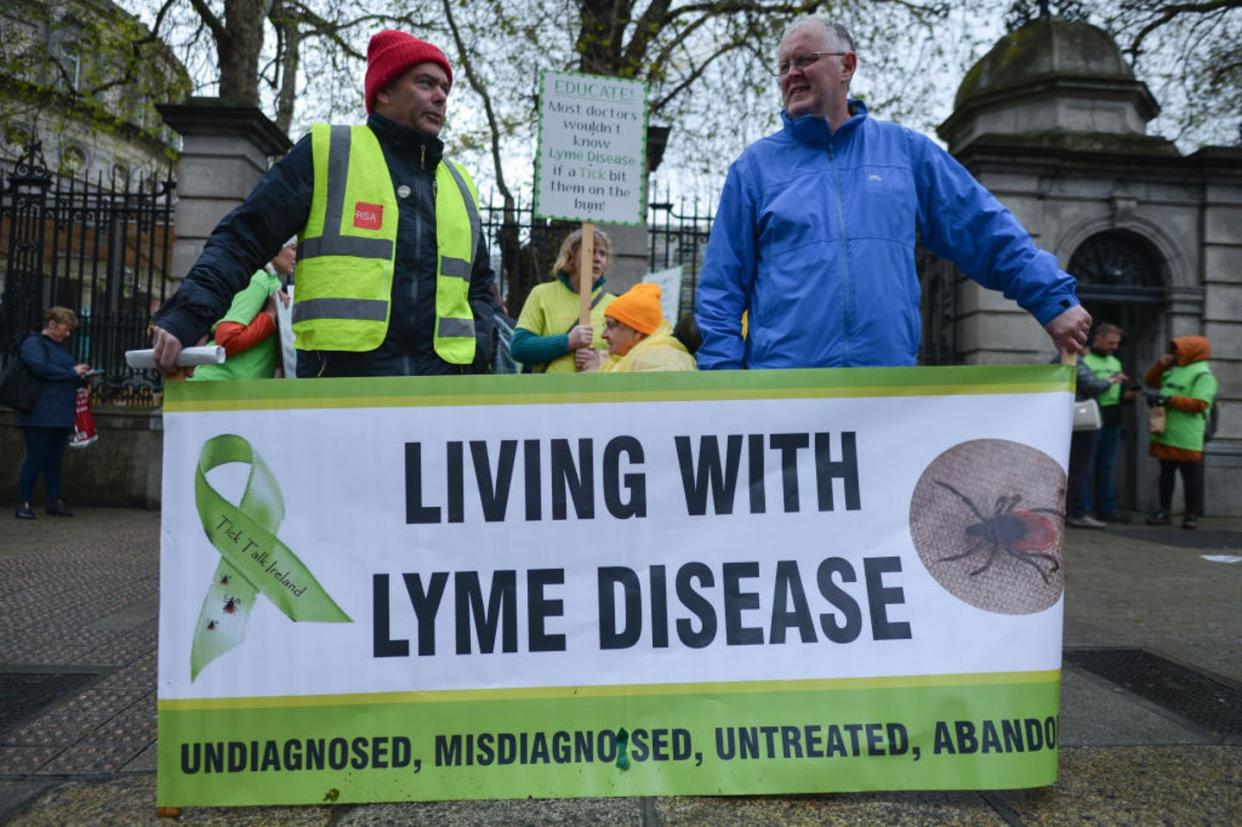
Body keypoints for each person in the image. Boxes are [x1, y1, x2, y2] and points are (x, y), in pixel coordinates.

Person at [694, 16, 1091, 370]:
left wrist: (1049, 298)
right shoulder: (753, 169)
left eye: (804, 60)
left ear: (847, 65)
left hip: (885, 399)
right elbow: (721, 287)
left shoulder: (905, 152)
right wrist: (724, 385)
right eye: (783, 67)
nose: (791, 74)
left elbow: (980, 226)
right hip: (787, 397)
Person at [150, 30, 495, 378]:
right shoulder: (328, 153)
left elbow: (479, 284)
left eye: (445, 89)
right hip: (339, 397)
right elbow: (244, 237)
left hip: (441, 399)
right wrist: (187, 315)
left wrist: (480, 348)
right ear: (385, 91)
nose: (440, 97)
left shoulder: (459, 183)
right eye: (426, 83)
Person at [14, 307, 90, 519]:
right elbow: (40, 367)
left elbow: (55, 372)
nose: (68, 335)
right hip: (39, 413)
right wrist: (71, 372)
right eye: (66, 329)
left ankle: (53, 501)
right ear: (52, 324)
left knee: (54, 460)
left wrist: (80, 376)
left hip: (59, 412)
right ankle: (23, 503)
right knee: (36, 458)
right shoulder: (33, 343)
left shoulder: (56, 348)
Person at [510, 229, 615, 373]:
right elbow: (519, 348)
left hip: (594, 394)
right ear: (571, 257)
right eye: (591, 251)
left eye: (602, 253)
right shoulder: (541, 294)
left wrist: (600, 359)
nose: (597, 259)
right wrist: (568, 341)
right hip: (549, 393)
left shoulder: (615, 305)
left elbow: (628, 357)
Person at [190, 238, 295, 381]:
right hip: (217, 387)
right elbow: (227, 339)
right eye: (293, 248)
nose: (298, 255)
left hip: (233, 389)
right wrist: (271, 314)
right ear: (275, 248)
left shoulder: (270, 282)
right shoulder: (257, 279)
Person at [1144, 337, 1217, 530]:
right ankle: (1164, 511)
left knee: (1190, 476)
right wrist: (1161, 364)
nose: (1176, 353)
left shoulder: (1203, 375)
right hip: (1166, 430)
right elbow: (1150, 381)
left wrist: (1169, 400)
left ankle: (1191, 514)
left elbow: (1200, 404)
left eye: (1179, 350)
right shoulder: (1175, 369)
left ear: (1192, 351)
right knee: (1166, 474)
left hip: (1187, 434)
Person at [580, 283, 697, 373]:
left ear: (637, 331)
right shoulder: (634, 357)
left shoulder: (657, 361)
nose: (603, 335)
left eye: (611, 325)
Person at [1082, 323, 1134, 522]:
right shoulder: (1085, 360)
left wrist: (1126, 395)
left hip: (1113, 417)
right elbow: (1087, 387)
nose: (1115, 346)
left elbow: (1117, 393)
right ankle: (1084, 509)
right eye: (1111, 342)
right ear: (1099, 339)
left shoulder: (1115, 361)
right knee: (1087, 466)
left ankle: (1106, 508)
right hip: (1092, 417)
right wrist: (1111, 381)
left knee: (1107, 466)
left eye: (1117, 343)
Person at [1065, 355, 1115, 529]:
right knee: (1080, 469)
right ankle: (1078, 513)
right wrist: (1110, 380)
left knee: (1071, 469)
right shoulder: (1074, 360)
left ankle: (1069, 511)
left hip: (1066, 420)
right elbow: (1092, 386)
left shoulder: (1056, 360)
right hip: (1081, 422)